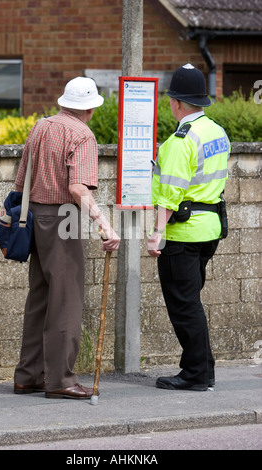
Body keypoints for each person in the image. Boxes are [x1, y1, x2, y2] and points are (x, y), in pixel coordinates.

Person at [13, 77, 120, 399]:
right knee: (66, 301)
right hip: (62, 220)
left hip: (34, 218)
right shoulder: (82, 135)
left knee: (40, 299)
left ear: (64, 102)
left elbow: (21, 181)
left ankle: (28, 375)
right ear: (89, 108)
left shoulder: (41, 125)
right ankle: (60, 380)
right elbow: (77, 188)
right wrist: (105, 224)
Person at [147, 64, 230, 391]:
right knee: (190, 301)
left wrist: (157, 233)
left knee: (184, 306)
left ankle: (196, 374)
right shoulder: (216, 132)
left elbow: (170, 193)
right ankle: (202, 369)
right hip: (210, 229)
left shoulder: (181, 140)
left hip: (182, 233)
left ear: (176, 102)